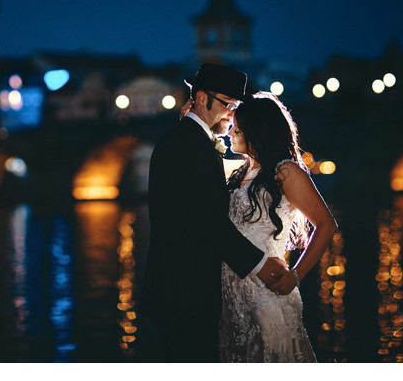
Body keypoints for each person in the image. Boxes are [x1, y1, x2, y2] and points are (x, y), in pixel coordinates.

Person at [138, 64, 288, 362]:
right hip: (182, 292)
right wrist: (260, 264)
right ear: (202, 98)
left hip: (184, 289)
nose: (231, 115)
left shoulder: (191, 141)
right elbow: (206, 220)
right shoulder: (187, 145)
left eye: (235, 107)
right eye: (227, 105)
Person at [219, 91, 338, 362]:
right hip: (233, 291)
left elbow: (326, 224)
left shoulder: (285, 171)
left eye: (237, 129)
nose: (230, 133)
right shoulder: (240, 171)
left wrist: (296, 275)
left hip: (266, 289)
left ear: (257, 132)